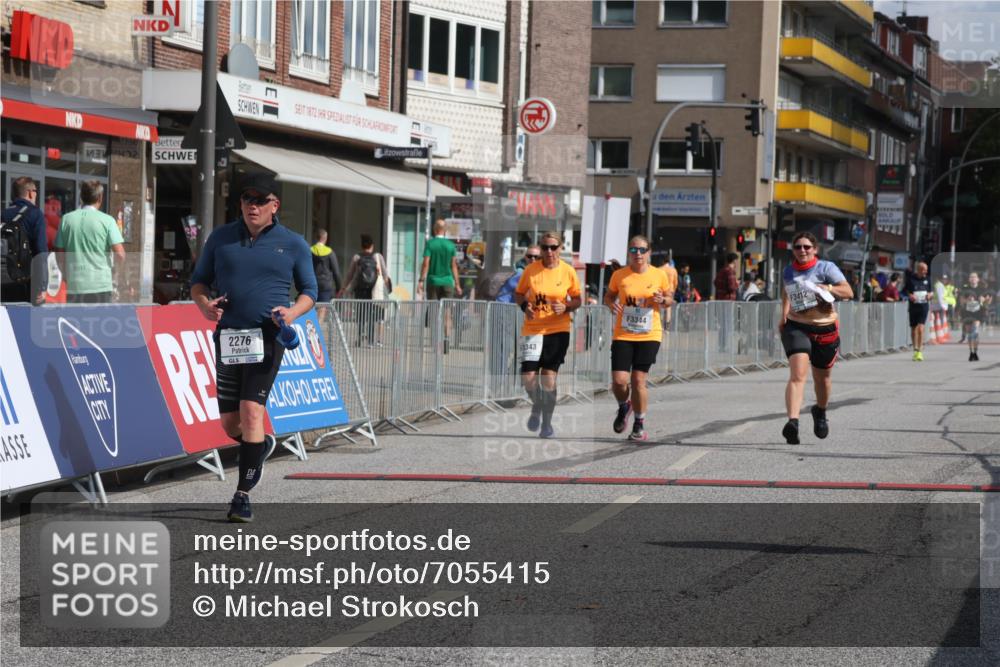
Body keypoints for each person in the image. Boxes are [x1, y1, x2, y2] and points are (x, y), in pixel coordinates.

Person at [190, 173, 317, 522]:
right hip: (229, 336)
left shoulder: (293, 243)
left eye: (260, 200)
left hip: (267, 336)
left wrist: (291, 312)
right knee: (231, 424)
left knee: (251, 411)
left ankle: (242, 495)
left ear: (274, 205)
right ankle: (258, 446)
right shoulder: (221, 238)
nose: (252, 206)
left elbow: (310, 291)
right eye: (247, 199)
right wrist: (203, 304)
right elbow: (197, 282)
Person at [778, 232, 853, 444]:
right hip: (797, 327)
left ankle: (820, 411)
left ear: (815, 249)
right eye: (798, 247)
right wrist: (783, 315)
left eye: (807, 247)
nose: (802, 250)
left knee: (823, 378)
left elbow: (848, 292)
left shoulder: (826, 268)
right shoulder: (789, 270)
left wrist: (827, 288)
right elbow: (787, 292)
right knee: (797, 375)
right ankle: (792, 422)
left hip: (824, 329)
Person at [604, 235, 674, 442]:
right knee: (619, 381)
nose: (638, 254)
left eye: (642, 250)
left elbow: (670, 299)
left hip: (649, 334)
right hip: (624, 333)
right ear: (629, 253)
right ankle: (624, 406)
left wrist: (663, 300)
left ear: (649, 253)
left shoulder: (659, 275)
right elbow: (609, 295)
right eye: (634, 250)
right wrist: (611, 304)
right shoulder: (619, 275)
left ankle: (639, 423)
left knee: (638, 379)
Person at [514, 231, 582, 438]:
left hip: (557, 330)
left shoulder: (568, 271)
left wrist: (567, 306)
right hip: (533, 330)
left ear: (560, 248)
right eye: (545, 248)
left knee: (548, 379)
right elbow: (518, 294)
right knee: (528, 378)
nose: (549, 251)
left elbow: (578, 300)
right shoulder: (531, 270)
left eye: (553, 247)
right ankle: (537, 405)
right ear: (541, 249)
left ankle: (547, 424)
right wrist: (526, 306)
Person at [54, 181, 125, 303]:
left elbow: (59, 253)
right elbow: (120, 254)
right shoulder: (108, 221)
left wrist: (65, 274)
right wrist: (115, 273)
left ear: (81, 197)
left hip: (74, 284)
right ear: (100, 197)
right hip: (101, 285)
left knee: (75, 321)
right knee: (98, 321)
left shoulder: (66, 219)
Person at [1, 176, 47, 304]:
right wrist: (43, 286)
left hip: (4, 278)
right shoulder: (35, 214)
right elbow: (41, 251)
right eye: (36, 191)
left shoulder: (4, 213)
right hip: (26, 281)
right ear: (31, 193)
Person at [339, 234, 391, 346]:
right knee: (373, 315)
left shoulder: (357, 257)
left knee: (361, 314)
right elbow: (385, 275)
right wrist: (386, 289)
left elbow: (350, 275)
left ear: (362, 245)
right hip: (374, 291)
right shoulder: (377, 257)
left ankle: (360, 337)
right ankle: (371, 342)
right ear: (372, 245)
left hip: (360, 290)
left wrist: (344, 287)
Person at [418, 220, 463, 351]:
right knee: (447, 313)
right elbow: (453, 266)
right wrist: (457, 284)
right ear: (445, 230)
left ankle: (434, 341)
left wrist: (421, 280)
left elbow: (426, 263)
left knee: (433, 311)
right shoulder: (450, 245)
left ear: (434, 229)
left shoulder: (430, 244)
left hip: (433, 281)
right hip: (448, 281)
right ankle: (446, 340)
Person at [958, 272, 991, 361]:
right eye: (971, 277)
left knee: (975, 331)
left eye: (974, 277)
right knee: (970, 335)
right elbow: (961, 302)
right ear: (969, 279)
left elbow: (988, 302)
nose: (973, 278)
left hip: (978, 313)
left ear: (978, 279)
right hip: (967, 313)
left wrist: (984, 300)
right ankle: (971, 352)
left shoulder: (982, 289)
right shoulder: (965, 289)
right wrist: (966, 300)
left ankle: (976, 351)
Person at [905, 262, 932, 361]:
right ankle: (915, 349)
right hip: (913, 306)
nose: (926, 271)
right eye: (924, 269)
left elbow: (931, 291)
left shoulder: (928, 279)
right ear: (919, 270)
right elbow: (905, 291)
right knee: (913, 329)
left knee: (920, 329)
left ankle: (920, 351)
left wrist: (930, 295)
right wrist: (910, 295)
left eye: (926, 269)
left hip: (924, 307)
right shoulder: (911, 279)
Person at [310, 228, 342, 302]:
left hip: (312, 284)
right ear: (325, 238)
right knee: (322, 309)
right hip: (326, 285)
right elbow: (336, 272)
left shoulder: (310, 250)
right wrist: (338, 288)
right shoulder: (330, 252)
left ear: (316, 237)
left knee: (310, 308)